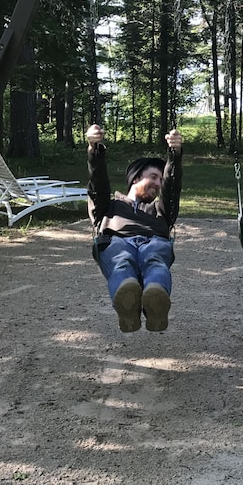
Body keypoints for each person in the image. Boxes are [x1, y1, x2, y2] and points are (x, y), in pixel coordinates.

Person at [86, 123, 183, 333]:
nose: (158, 184)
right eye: (153, 177)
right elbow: (97, 182)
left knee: (155, 261)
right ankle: (127, 304)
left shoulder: (161, 209)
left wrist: (174, 154)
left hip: (154, 240)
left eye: (161, 179)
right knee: (122, 261)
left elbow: (172, 188)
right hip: (116, 240)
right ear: (136, 177)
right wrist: (94, 150)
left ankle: (155, 301)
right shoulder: (109, 204)